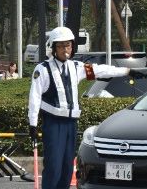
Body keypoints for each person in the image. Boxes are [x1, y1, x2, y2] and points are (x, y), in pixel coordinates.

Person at [28, 26, 131, 189]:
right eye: (60, 46)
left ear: (72, 47)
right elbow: (34, 97)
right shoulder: (43, 69)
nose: (64, 49)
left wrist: (128, 71)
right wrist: (32, 124)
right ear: (53, 48)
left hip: (71, 124)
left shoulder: (77, 67)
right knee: (53, 167)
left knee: (68, 168)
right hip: (53, 124)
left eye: (67, 45)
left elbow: (101, 70)